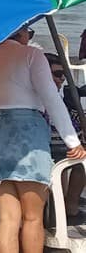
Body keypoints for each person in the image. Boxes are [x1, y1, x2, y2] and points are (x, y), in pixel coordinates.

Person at [0, 25, 86, 253]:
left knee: (8, 218)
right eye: (29, 33)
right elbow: (52, 100)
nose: (29, 38)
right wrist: (73, 142)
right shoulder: (31, 55)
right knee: (33, 217)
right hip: (25, 135)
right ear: (21, 31)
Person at [44, 52, 86, 222]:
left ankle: (66, 204)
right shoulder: (45, 97)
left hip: (60, 142)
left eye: (63, 75)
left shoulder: (59, 97)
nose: (61, 79)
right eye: (57, 74)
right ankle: (68, 205)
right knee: (76, 159)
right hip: (51, 145)